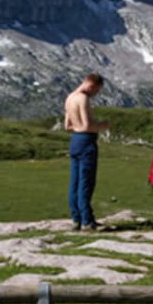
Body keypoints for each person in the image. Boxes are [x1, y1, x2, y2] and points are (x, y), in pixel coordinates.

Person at [63, 73, 111, 231]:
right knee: (86, 182)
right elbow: (86, 125)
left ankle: (76, 219)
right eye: (96, 91)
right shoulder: (83, 98)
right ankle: (87, 221)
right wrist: (103, 125)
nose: (95, 94)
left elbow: (67, 125)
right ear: (91, 86)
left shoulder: (70, 97)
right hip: (86, 141)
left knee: (75, 182)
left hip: (75, 141)